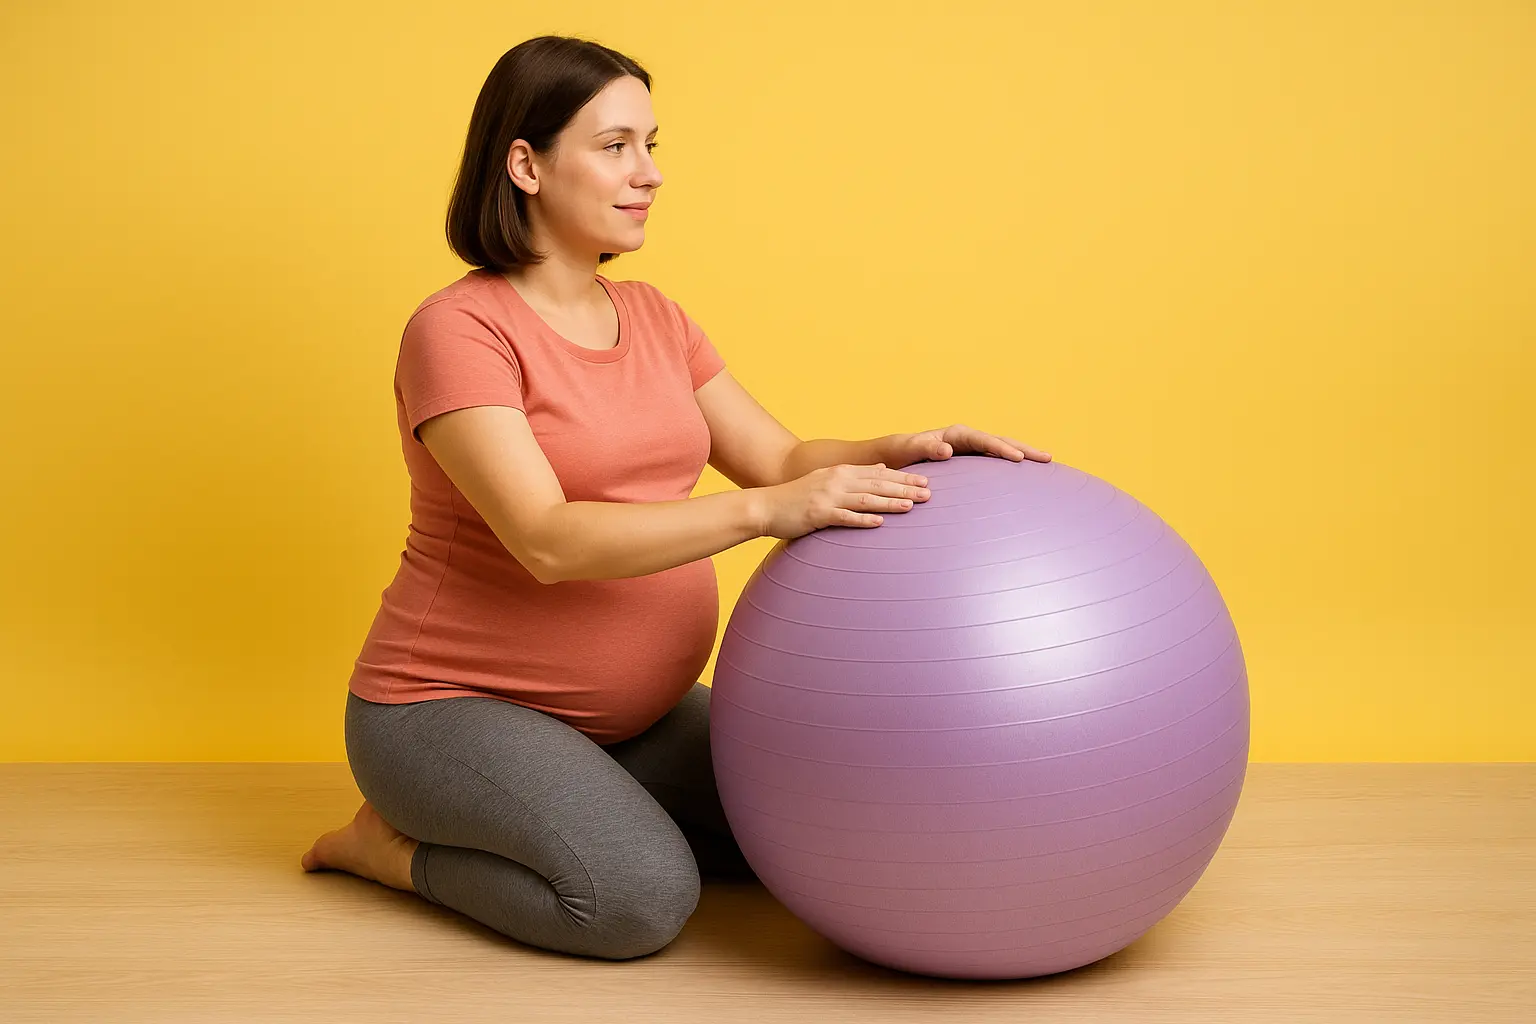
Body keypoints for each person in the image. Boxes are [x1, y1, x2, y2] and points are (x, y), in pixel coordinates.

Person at [299, 35, 1051, 961]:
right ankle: (389, 850)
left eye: (653, 145)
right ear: (526, 164)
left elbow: (776, 456)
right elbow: (548, 541)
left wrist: (906, 447)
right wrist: (766, 513)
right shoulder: (459, 332)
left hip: (634, 720)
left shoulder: (656, 317)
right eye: (616, 146)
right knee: (637, 901)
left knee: (811, 835)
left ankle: (576, 795)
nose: (649, 173)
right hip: (448, 710)